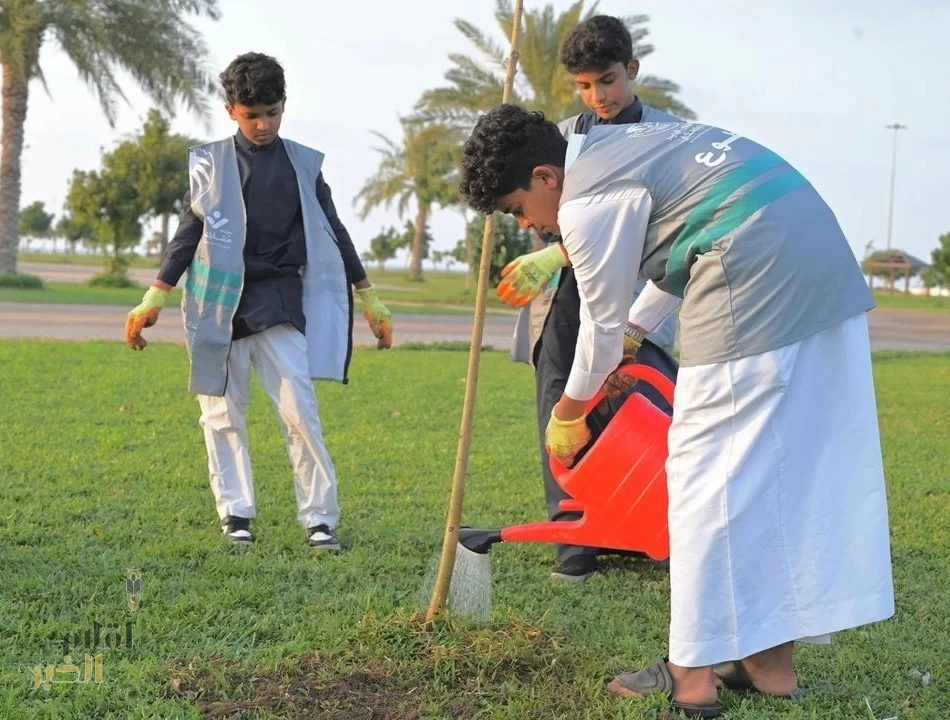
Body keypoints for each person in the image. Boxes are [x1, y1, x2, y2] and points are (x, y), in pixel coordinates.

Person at [459, 104, 894, 718]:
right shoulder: (630, 146)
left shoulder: (584, 201)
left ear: (545, 177)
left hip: (754, 277)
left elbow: (599, 328)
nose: (531, 227)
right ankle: (768, 664)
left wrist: (568, 413)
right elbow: (684, 244)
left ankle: (690, 676)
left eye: (517, 209)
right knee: (778, 475)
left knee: (699, 481)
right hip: (818, 266)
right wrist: (637, 337)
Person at [124, 52, 393, 552]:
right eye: (252, 115)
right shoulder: (210, 162)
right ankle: (236, 514)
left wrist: (370, 296)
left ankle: (319, 520)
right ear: (231, 110)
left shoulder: (304, 165)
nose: (263, 124)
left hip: (278, 301)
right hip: (216, 304)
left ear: (284, 105)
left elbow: (335, 230)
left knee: (300, 411)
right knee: (221, 415)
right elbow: (190, 230)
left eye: (272, 111)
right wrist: (154, 295)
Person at [501, 15, 680, 582]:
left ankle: (636, 524)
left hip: (638, 298)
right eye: (583, 85)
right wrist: (545, 253)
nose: (597, 96)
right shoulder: (563, 138)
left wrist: (556, 251)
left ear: (631, 70)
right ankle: (574, 534)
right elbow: (547, 216)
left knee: (635, 402)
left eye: (607, 80)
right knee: (561, 403)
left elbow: (650, 233)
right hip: (564, 299)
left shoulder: (665, 138)